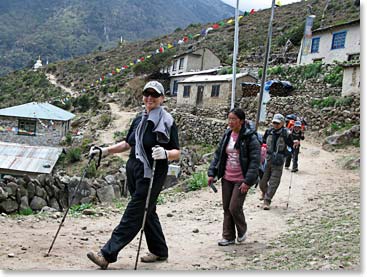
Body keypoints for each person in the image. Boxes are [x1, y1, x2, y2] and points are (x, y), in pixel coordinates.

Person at [87, 80, 180, 269]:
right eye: (147, 94)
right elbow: (128, 144)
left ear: (162, 98)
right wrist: (104, 151)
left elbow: (177, 152)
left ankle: (107, 254)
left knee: (134, 213)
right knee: (148, 211)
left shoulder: (168, 121)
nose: (149, 98)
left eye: (154, 95)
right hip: (134, 171)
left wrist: (165, 154)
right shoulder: (138, 118)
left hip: (152, 173)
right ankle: (159, 250)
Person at [207, 108, 260, 246]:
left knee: (234, 207)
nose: (230, 122)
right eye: (229, 119)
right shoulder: (227, 135)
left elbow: (255, 161)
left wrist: (248, 181)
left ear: (241, 121)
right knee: (226, 208)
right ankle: (228, 236)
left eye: (234, 119)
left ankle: (242, 230)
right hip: (227, 177)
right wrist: (211, 173)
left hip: (241, 179)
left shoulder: (250, 137)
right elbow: (218, 155)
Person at [259, 113, 294, 210]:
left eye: (277, 123)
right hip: (268, 159)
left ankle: (267, 200)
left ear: (282, 123)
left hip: (278, 161)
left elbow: (291, 145)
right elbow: (263, 142)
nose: (275, 125)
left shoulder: (286, 134)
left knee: (274, 181)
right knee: (262, 181)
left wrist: (294, 146)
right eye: (274, 122)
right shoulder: (268, 132)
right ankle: (264, 192)